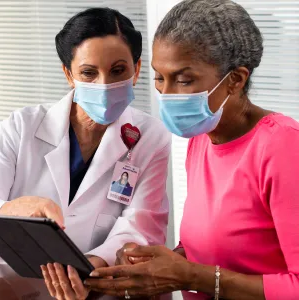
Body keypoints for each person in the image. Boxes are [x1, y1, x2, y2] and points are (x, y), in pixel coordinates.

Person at [83, 1, 299, 300]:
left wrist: (190, 276)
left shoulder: (284, 147)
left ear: (235, 80)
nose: (166, 95)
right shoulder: (202, 138)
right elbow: (214, 247)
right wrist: (157, 263)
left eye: (184, 80)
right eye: (160, 77)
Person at [0, 7, 171, 300]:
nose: (104, 85)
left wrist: (92, 266)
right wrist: (17, 207)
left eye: (118, 71)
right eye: (88, 73)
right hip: (13, 286)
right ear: (68, 74)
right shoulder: (21, 127)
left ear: (137, 69)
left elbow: (141, 225)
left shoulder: (151, 137)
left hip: (99, 287)